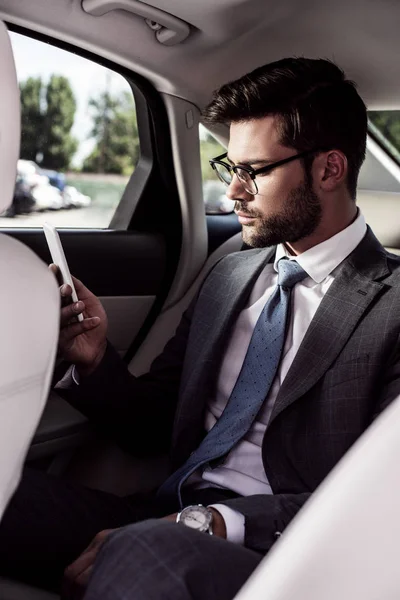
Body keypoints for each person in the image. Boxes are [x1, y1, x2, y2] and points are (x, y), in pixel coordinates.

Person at [1, 56, 400, 599]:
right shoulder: (230, 274)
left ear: (330, 170)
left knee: (146, 552)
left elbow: (379, 503)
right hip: (163, 511)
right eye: (228, 167)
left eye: (253, 172)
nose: (233, 192)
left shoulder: (393, 306)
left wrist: (211, 523)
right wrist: (94, 358)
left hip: (289, 554)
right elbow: (153, 425)